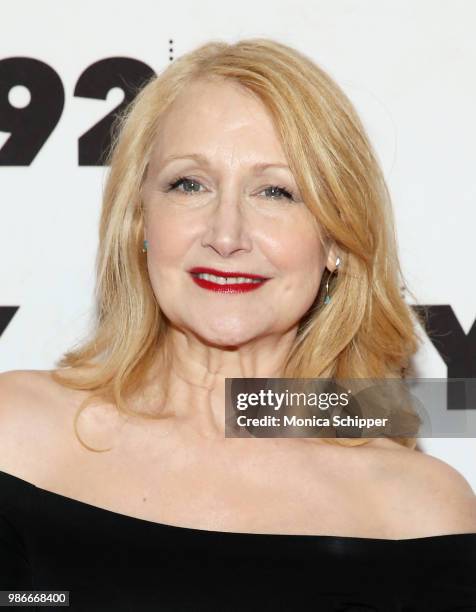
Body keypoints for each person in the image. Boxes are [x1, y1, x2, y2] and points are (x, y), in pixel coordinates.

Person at [0, 37, 475, 611]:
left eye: (276, 191)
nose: (226, 235)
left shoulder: (419, 511)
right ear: (138, 222)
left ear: (336, 240)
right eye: (189, 184)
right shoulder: (16, 434)